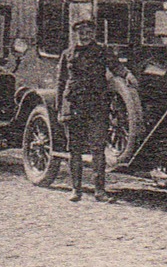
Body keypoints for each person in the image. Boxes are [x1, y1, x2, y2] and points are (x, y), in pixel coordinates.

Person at [55, 17, 133, 203]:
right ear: (76, 34)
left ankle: (99, 191)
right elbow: (61, 82)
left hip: (96, 106)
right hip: (74, 105)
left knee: (98, 149)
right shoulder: (67, 54)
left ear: (94, 34)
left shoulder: (102, 52)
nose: (85, 36)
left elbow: (116, 66)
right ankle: (76, 189)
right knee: (75, 150)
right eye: (81, 33)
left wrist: (127, 74)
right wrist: (59, 108)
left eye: (88, 32)